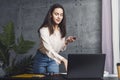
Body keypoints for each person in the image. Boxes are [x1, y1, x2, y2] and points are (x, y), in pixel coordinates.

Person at [33, 3, 76, 74]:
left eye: (61, 15)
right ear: (50, 15)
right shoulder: (44, 30)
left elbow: (59, 49)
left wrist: (66, 42)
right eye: (56, 14)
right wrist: (63, 60)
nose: (59, 17)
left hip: (53, 59)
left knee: (55, 77)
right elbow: (48, 49)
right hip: (41, 59)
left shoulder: (61, 31)